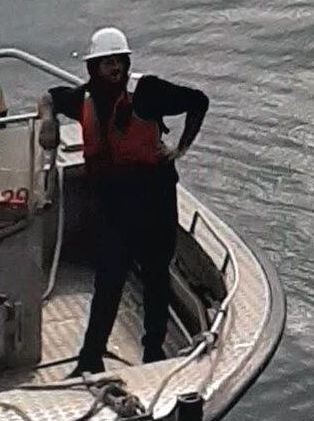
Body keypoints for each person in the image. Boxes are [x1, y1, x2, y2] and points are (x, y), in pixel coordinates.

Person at [47, 26, 209, 374]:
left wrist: (180, 149)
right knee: (108, 281)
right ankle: (90, 359)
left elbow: (198, 101)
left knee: (155, 276)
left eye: (118, 60)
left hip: (153, 200)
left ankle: (153, 353)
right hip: (112, 205)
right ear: (93, 67)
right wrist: (48, 122)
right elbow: (51, 97)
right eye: (106, 62)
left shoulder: (147, 92)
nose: (114, 67)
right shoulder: (84, 99)